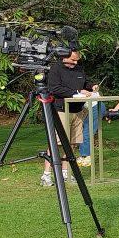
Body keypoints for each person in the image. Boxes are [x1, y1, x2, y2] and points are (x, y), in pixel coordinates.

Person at [42, 49, 97, 187]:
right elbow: (54, 89)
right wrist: (76, 92)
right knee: (56, 143)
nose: (75, 63)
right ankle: (47, 175)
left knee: (72, 143)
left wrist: (91, 86)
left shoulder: (79, 69)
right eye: (73, 60)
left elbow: (85, 82)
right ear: (64, 58)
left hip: (78, 110)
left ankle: (66, 173)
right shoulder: (55, 69)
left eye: (77, 60)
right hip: (61, 110)